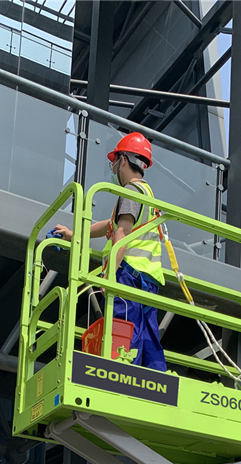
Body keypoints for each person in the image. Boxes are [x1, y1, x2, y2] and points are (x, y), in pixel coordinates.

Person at [52, 133, 167, 372]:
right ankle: (157, 380)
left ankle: (122, 378)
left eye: (114, 161)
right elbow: (111, 226)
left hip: (129, 276)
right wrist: (75, 234)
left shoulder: (130, 191)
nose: (113, 168)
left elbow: (121, 233)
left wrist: (110, 275)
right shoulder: (147, 194)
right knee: (147, 337)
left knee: (124, 333)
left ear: (123, 160)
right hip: (149, 280)